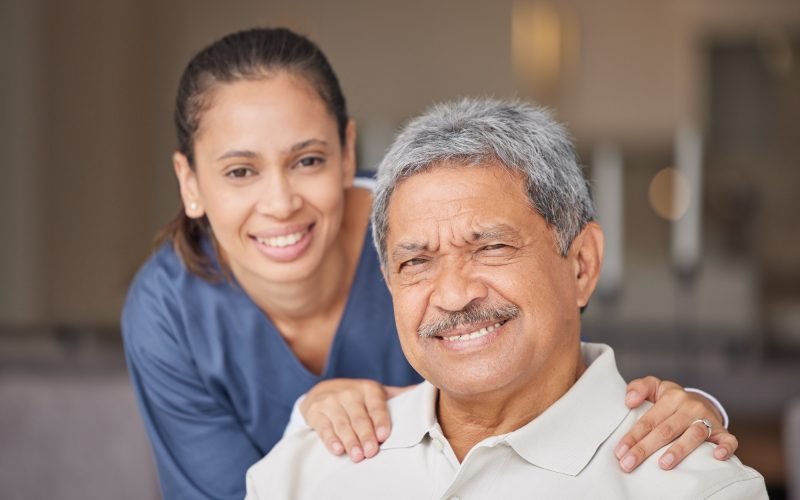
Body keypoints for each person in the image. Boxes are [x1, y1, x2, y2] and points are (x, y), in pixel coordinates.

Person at [121, 28, 737, 500]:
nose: (281, 203)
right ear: (190, 181)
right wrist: (307, 436)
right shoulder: (168, 313)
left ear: (345, 154)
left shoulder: (424, 216)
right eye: (240, 170)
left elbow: (547, 349)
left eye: (307, 160)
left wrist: (692, 411)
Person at [245, 98, 767, 499]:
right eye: (416, 262)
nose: (452, 295)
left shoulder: (697, 488)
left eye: (491, 247)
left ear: (581, 264)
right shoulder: (303, 471)